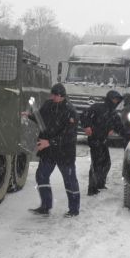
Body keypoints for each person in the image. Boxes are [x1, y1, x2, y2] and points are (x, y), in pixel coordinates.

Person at [22, 83, 80, 217]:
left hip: (65, 152)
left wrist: (50, 142)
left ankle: (74, 209)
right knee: (41, 176)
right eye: (52, 94)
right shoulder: (48, 105)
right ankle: (45, 205)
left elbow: (69, 135)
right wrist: (29, 115)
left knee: (70, 180)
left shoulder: (71, 112)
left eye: (55, 95)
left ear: (61, 95)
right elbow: (40, 119)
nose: (52, 97)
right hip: (49, 152)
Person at [81, 90, 124, 195]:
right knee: (96, 164)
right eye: (114, 99)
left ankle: (100, 184)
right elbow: (84, 115)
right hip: (94, 139)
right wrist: (87, 126)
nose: (115, 101)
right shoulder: (97, 107)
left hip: (103, 140)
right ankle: (92, 189)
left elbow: (120, 127)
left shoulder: (113, 114)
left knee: (106, 163)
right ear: (109, 98)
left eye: (117, 100)